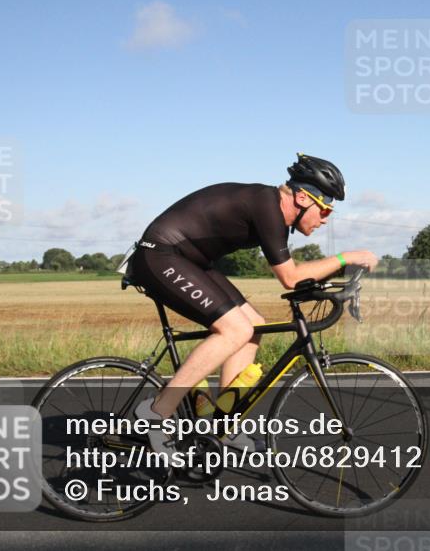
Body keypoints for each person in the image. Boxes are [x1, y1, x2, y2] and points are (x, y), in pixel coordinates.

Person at [129, 154, 378, 455]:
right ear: (302, 197)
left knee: (254, 326)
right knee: (234, 330)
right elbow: (290, 277)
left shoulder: (272, 211)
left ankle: (224, 426)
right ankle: (156, 412)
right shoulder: (267, 208)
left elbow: (298, 277)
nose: (325, 219)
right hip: (161, 254)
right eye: (324, 209)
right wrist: (345, 258)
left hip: (190, 259)